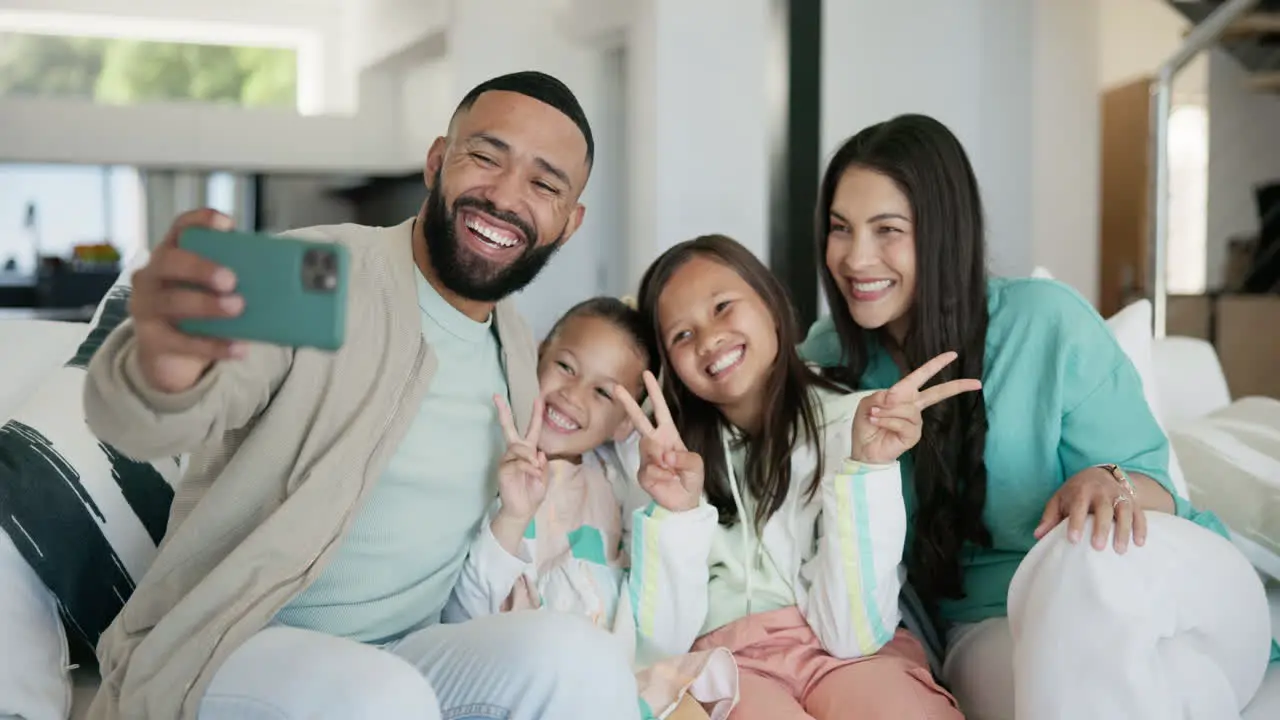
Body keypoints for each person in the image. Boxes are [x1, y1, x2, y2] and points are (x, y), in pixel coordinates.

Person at [80, 71, 640, 720]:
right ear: (437, 162)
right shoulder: (319, 270)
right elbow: (148, 418)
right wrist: (169, 363)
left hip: (408, 654)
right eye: (485, 157)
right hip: (232, 644)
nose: (505, 196)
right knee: (384, 697)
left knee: (583, 660)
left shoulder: (517, 348)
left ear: (568, 223)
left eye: (544, 184)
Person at [800, 113, 1277, 719]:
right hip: (991, 624)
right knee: (1155, 688)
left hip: (1152, 581)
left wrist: (1108, 481)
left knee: (1079, 557)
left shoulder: (1044, 322)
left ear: (946, 232)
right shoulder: (828, 359)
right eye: (840, 229)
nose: (856, 258)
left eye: (887, 229)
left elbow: (1150, 485)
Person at [614, 235, 975, 719]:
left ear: (769, 301)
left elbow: (853, 636)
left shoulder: (854, 422)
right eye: (681, 335)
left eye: (723, 307)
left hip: (847, 653)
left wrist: (867, 469)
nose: (708, 339)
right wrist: (674, 513)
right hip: (727, 663)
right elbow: (659, 646)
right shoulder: (658, 457)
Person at [446, 296, 739, 719]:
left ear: (623, 423)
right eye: (566, 366)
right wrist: (511, 516)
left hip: (613, 686)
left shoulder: (615, 486)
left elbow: (663, 638)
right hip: (515, 685)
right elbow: (462, 620)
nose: (572, 396)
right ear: (538, 354)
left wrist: (676, 511)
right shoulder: (491, 463)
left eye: (604, 392)